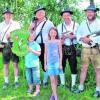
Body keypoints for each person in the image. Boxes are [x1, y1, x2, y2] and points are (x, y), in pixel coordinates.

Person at [75, 5, 100, 98]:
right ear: (86, 13)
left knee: (98, 70)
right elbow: (78, 34)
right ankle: (81, 87)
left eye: (91, 11)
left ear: (95, 13)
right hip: (85, 49)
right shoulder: (82, 23)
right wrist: (82, 39)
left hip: (95, 49)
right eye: (88, 11)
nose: (89, 13)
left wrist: (91, 39)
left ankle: (98, 90)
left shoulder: (99, 22)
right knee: (83, 69)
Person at [29, 5, 54, 87]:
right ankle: (35, 81)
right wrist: (30, 28)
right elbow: (29, 36)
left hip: (45, 45)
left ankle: (45, 81)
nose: (39, 13)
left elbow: (53, 34)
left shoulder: (49, 23)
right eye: (37, 12)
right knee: (34, 63)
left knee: (45, 63)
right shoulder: (33, 23)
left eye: (41, 12)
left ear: (44, 13)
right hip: (34, 45)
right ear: (35, 14)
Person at [57, 7, 78, 91]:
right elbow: (57, 37)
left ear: (71, 16)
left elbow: (79, 36)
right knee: (61, 65)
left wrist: (71, 36)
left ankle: (73, 85)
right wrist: (61, 40)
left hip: (72, 47)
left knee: (73, 65)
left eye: (68, 15)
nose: (66, 17)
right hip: (62, 47)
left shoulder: (76, 25)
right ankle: (62, 83)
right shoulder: (59, 26)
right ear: (62, 17)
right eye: (64, 15)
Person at [0, 8, 21, 89]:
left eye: (9, 13)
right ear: (4, 15)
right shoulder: (0, 25)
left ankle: (16, 81)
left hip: (14, 45)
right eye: (6, 13)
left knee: (15, 64)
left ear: (12, 15)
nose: (8, 15)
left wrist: (12, 36)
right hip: (4, 45)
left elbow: (19, 36)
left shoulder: (16, 24)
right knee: (5, 65)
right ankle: (6, 82)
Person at [44, 27, 62, 100]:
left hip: (56, 62)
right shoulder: (46, 41)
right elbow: (45, 53)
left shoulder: (58, 41)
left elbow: (60, 53)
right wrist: (45, 64)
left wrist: (60, 64)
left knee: (55, 78)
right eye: (51, 32)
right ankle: (56, 97)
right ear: (49, 33)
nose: (53, 33)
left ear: (56, 33)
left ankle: (53, 94)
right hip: (49, 63)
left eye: (54, 32)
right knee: (52, 80)